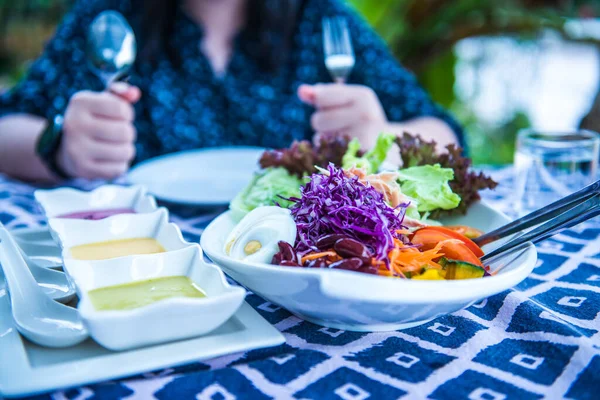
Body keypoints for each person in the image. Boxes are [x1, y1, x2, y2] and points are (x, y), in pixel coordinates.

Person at [0, 0, 463, 182]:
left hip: (301, 263)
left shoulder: (323, 21)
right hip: (141, 254)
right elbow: (8, 127)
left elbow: (446, 137)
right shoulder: (104, 17)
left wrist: (382, 137)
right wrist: (61, 149)